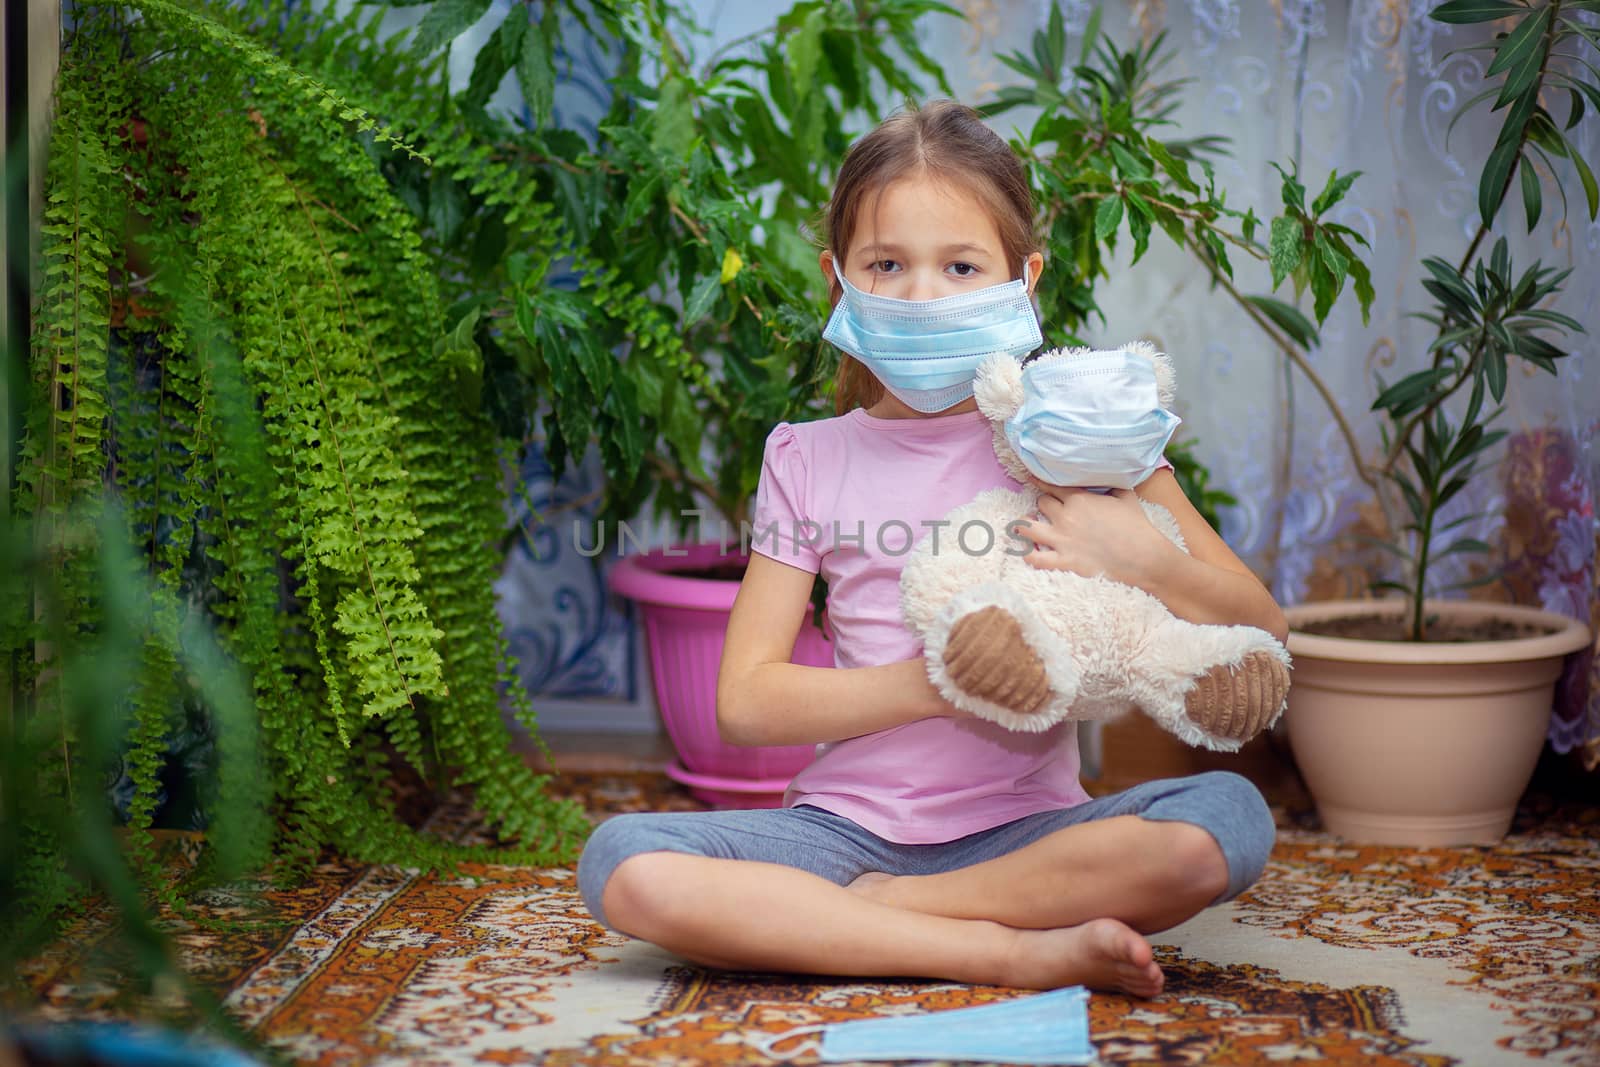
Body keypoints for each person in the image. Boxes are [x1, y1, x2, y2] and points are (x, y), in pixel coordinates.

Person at [577, 100, 1283, 997]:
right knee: (625, 861)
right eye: (888, 265)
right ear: (841, 284)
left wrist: (1142, 556)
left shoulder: (1081, 436)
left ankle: (889, 916)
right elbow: (746, 703)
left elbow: (1264, 625)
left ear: (1025, 278)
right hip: (842, 833)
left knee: (1225, 821)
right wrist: (946, 684)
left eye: (959, 265)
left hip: (1032, 835)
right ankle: (999, 949)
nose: (923, 294)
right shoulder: (809, 455)